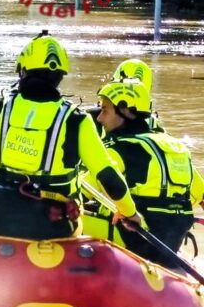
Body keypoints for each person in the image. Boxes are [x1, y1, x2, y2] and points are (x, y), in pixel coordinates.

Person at [0, 30, 141, 240]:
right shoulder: (77, 120)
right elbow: (107, 175)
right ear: (60, 77)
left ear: (22, 71)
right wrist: (129, 212)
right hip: (58, 229)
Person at [82, 78, 204, 268]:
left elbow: (80, 190)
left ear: (125, 111)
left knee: (64, 215)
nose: (99, 118)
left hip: (135, 237)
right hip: (171, 241)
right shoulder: (174, 146)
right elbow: (198, 194)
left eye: (105, 110)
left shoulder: (118, 148)